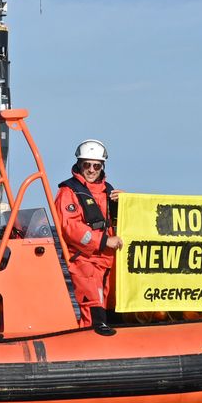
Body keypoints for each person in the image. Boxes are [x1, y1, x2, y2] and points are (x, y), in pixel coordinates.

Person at [54, 138, 121, 330]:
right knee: (93, 309)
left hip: (107, 261)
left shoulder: (109, 192)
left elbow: (117, 223)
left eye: (96, 166)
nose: (91, 170)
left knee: (111, 308)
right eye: (87, 165)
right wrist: (104, 241)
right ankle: (90, 334)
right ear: (79, 164)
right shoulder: (68, 192)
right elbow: (70, 228)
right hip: (84, 260)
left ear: (102, 167)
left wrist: (125, 203)